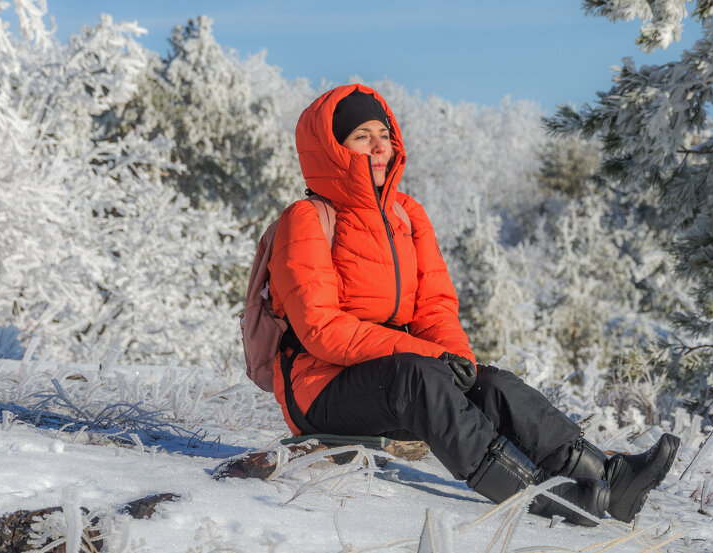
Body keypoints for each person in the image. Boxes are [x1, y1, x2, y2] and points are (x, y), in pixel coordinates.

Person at [267, 84, 679, 525]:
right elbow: (323, 330)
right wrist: (430, 356)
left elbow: (436, 308)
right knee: (417, 377)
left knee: (492, 384)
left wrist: (456, 360)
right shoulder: (307, 219)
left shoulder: (407, 215)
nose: (379, 147)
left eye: (383, 134)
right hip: (321, 390)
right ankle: (544, 498)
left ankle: (611, 479)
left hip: (401, 382)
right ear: (333, 149)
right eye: (361, 137)